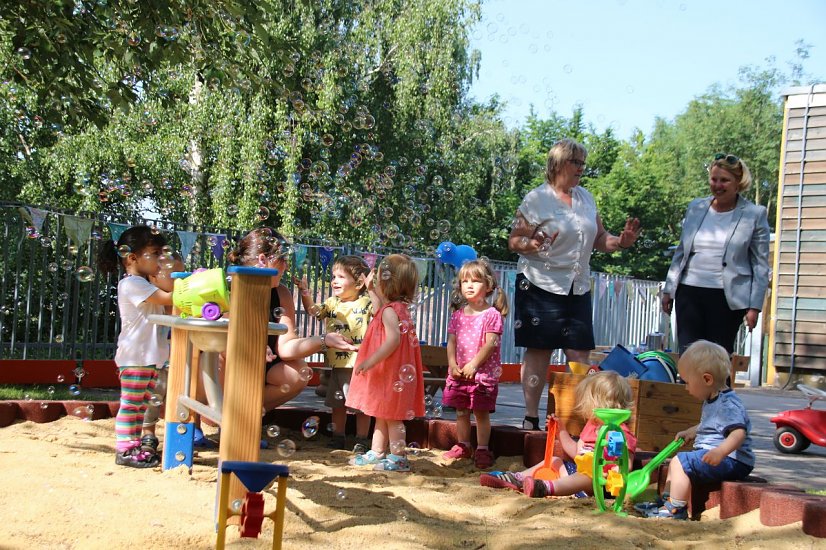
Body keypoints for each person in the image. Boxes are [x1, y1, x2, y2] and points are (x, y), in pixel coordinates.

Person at [508, 138, 641, 430]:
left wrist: (620, 242)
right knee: (539, 349)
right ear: (557, 163)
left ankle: (572, 421)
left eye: (583, 163)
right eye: (576, 162)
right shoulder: (536, 199)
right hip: (540, 283)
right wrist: (534, 243)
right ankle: (531, 417)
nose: (582, 168)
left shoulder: (586, 198)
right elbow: (514, 241)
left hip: (577, 286)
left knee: (579, 353)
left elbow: (600, 239)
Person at [226, 228, 357, 411]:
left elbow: (287, 347)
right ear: (264, 260)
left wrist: (324, 340)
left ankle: (246, 416)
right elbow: (218, 338)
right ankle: (222, 412)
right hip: (229, 369)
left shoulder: (281, 294)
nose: (286, 267)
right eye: (283, 260)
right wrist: (250, 346)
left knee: (298, 373)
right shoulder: (228, 290)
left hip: (263, 370)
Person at [662, 153, 770, 355]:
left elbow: (760, 265)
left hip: (727, 298)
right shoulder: (696, 207)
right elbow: (681, 252)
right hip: (689, 292)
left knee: (717, 359)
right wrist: (669, 289)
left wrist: (754, 307)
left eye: (724, 180)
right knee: (688, 357)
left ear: (738, 182)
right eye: (714, 179)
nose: (718, 185)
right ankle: (687, 387)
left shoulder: (755, 214)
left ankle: (721, 389)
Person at [637, 340, 754, 520]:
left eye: (688, 382)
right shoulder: (713, 400)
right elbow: (712, 424)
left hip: (732, 460)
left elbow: (738, 432)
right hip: (722, 456)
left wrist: (720, 451)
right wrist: (692, 431)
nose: (686, 387)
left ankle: (676, 509)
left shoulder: (727, 404)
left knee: (680, 462)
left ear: (707, 379)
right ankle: (667, 503)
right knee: (675, 465)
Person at [479, 371, 637, 498]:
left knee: (587, 476)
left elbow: (628, 464)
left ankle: (546, 488)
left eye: (587, 403)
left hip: (601, 484)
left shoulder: (621, 433)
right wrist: (561, 432)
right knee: (555, 461)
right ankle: (515, 478)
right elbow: (577, 453)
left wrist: (617, 469)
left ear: (601, 405)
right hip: (578, 475)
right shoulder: (591, 427)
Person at [97, 225, 173, 468]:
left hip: (148, 358)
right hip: (135, 358)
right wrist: (191, 285)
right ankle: (125, 450)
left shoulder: (146, 283)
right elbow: (167, 298)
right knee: (131, 405)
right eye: (155, 253)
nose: (161, 259)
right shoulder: (132, 284)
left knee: (140, 405)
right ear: (132, 257)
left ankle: (135, 444)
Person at [346, 254, 425, 472]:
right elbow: (378, 305)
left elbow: (392, 341)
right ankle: (378, 452)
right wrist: (371, 289)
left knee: (393, 418)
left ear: (388, 282)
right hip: (391, 372)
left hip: (390, 372)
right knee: (382, 413)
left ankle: (398, 458)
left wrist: (369, 361)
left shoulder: (391, 312)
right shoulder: (393, 308)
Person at [295, 255, 374, 453]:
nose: (334, 280)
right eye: (333, 276)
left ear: (358, 283)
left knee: (360, 405)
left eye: (340, 276)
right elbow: (313, 311)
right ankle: (338, 437)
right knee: (337, 404)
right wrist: (305, 292)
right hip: (336, 366)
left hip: (359, 365)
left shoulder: (366, 303)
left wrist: (372, 288)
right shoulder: (331, 303)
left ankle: (361, 439)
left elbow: (381, 311)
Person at [441, 259, 508, 469]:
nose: (469, 285)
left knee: (480, 413)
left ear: (488, 286)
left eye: (476, 281)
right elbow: (451, 342)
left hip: (481, 377)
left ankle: (482, 448)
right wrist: (452, 363)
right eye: (465, 281)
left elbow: (490, 344)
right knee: (461, 412)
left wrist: (474, 365)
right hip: (459, 374)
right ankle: (463, 445)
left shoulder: (492, 315)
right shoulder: (457, 315)